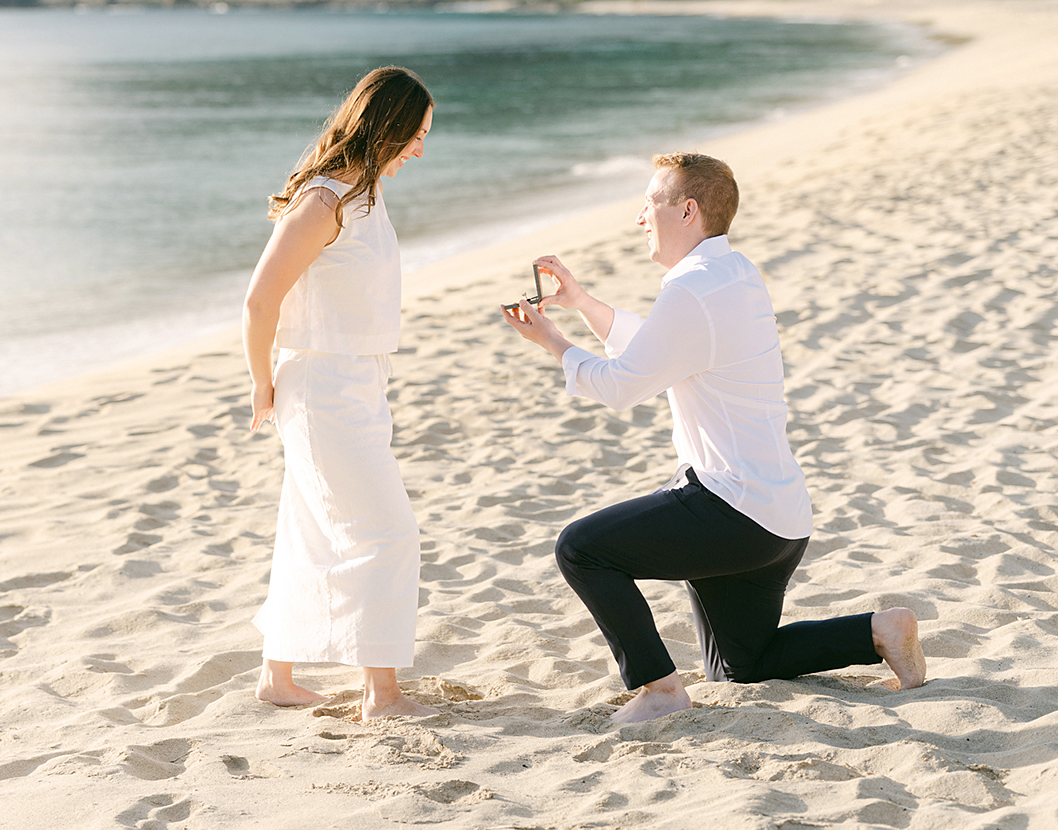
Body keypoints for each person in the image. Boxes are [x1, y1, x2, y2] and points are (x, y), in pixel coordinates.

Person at [503, 150, 926, 723]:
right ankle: (879, 631)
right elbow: (661, 347)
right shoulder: (732, 274)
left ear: (688, 210)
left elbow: (622, 386)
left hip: (733, 511)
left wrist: (553, 342)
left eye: (651, 202)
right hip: (779, 520)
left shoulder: (693, 290)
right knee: (741, 664)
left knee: (581, 549)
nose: (640, 217)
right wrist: (580, 305)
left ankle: (659, 690)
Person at [243, 65, 436, 722]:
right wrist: (260, 383)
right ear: (388, 126)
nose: (419, 149)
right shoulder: (322, 203)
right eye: (416, 134)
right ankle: (381, 696)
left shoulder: (367, 194)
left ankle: (277, 675)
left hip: (358, 383)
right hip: (321, 387)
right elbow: (259, 299)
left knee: (309, 528)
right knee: (386, 533)